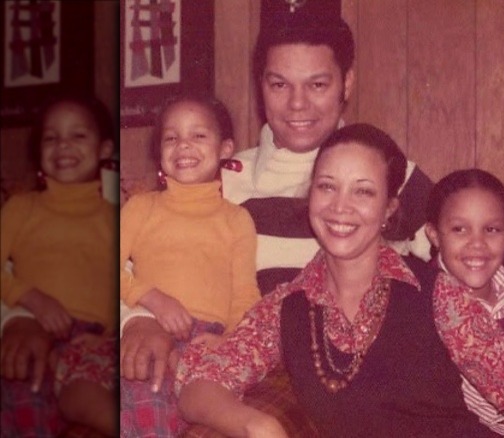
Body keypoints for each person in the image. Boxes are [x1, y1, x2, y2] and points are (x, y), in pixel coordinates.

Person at [119, 8, 433, 402]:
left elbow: (463, 264)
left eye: (317, 84)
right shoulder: (218, 180)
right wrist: (138, 321)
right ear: (260, 86)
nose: (297, 105)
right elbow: (131, 260)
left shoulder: (393, 176)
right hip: (237, 371)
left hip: (357, 383)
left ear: (346, 83)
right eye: (279, 85)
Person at [175, 123, 504, 437]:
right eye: (327, 186)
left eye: (363, 191)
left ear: (388, 209)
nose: (341, 206)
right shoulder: (285, 306)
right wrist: (259, 426)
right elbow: (198, 389)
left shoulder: (437, 294)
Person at [119, 94, 260, 436]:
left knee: (202, 406)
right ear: (160, 150)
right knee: (143, 397)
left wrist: (228, 340)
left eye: (198, 136)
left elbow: (244, 295)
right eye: (171, 137)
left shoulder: (237, 219)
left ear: (225, 148)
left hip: (207, 340)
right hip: (150, 326)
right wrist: (150, 296)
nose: (183, 145)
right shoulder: (141, 207)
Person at [0, 94, 118, 437]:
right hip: (31, 333)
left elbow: (124, 282)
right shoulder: (22, 207)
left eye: (78, 135)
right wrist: (32, 298)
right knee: (23, 405)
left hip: (95, 343)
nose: (63, 145)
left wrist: (110, 333)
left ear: (105, 149)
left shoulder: (115, 218)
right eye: (51, 138)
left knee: (92, 402)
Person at [424, 168, 504, 436]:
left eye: (491, 229)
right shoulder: (418, 302)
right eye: (459, 229)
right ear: (434, 234)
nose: (477, 244)